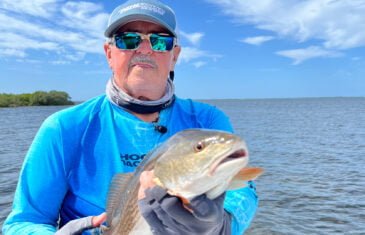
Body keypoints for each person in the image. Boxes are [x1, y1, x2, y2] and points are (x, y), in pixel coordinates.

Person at [2, 0, 259, 234]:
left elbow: (241, 191)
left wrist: (221, 225)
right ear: (109, 53)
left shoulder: (208, 121)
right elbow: (22, 223)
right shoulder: (63, 127)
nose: (144, 48)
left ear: (175, 56)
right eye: (128, 39)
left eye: (160, 41)